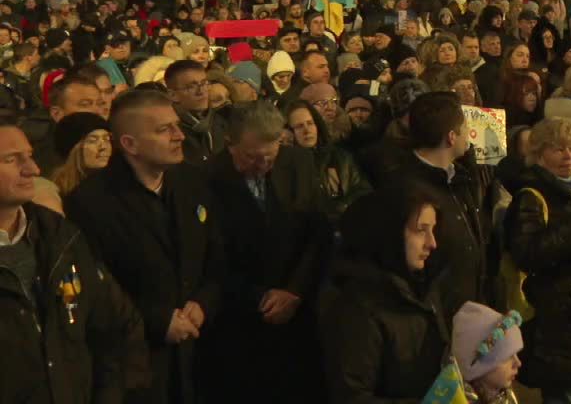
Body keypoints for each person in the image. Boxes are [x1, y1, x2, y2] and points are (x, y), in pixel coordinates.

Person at [65, 89, 227, 404]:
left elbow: (217, 252)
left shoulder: (193, 181)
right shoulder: (90, 203)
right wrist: (157, 320)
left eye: (176, 125)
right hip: (138, 365)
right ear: (130, 144)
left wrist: (204, 301)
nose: (179, 135)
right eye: (164, 129)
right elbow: (95, 285)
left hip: (201, 354)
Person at [0, 122, 148, 404]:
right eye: (11, 159)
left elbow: (117, 324)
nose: (33, 169)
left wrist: (109, 396)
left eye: (29, 156)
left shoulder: (60, 236)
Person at [203, 101, 331, 402]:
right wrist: (260, 297)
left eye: (270, 156)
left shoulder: (298, 162)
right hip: (240, 316)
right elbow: (212, 254)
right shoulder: (207, 177)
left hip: (298, 307)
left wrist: (295, 291)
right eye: (252, 157)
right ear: (230, 143)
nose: (262, 166)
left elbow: (317, 233)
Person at [504, 117, 571, 403]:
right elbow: (528, 253)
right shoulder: (531, 196)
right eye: (558, 149)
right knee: (563, 393)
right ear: (539, 155)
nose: (569, 156)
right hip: (555, 315)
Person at [323, 180, 451, 401]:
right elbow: (352, 396)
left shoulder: (423, 288)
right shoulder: (358, 307)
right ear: (389, 232)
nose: (432, 243)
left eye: (433, 230)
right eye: (421, 231)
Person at [399, 91, 500, 317]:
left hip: (471, 309)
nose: (469, 136)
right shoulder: (409, 189)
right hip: (438, 316)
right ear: (452, 137)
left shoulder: (460, 178)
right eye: (465, 129)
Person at [284, 100, 372, 222]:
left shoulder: (340, 157)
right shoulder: (285, 166)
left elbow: (363, 191)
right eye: (299, 126)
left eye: (310, 123)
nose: (307, 130)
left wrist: (342, 207)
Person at [452, 302, 525, 404]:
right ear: (477, 368)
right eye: (507, 357)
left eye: (516, 354)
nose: (518, 363)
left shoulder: (502, 393)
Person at [165, 60, 228, 170]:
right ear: (172, 95)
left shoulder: (222, 122)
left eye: (204, 83)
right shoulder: (168, 133)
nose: (201, 92)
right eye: (191, 87)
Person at [48, 111, 112, 196]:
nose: (104, 146)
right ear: (73, 150)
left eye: (107, 139)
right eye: (92, 141)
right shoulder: (52, 193)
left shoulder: (119, 187)